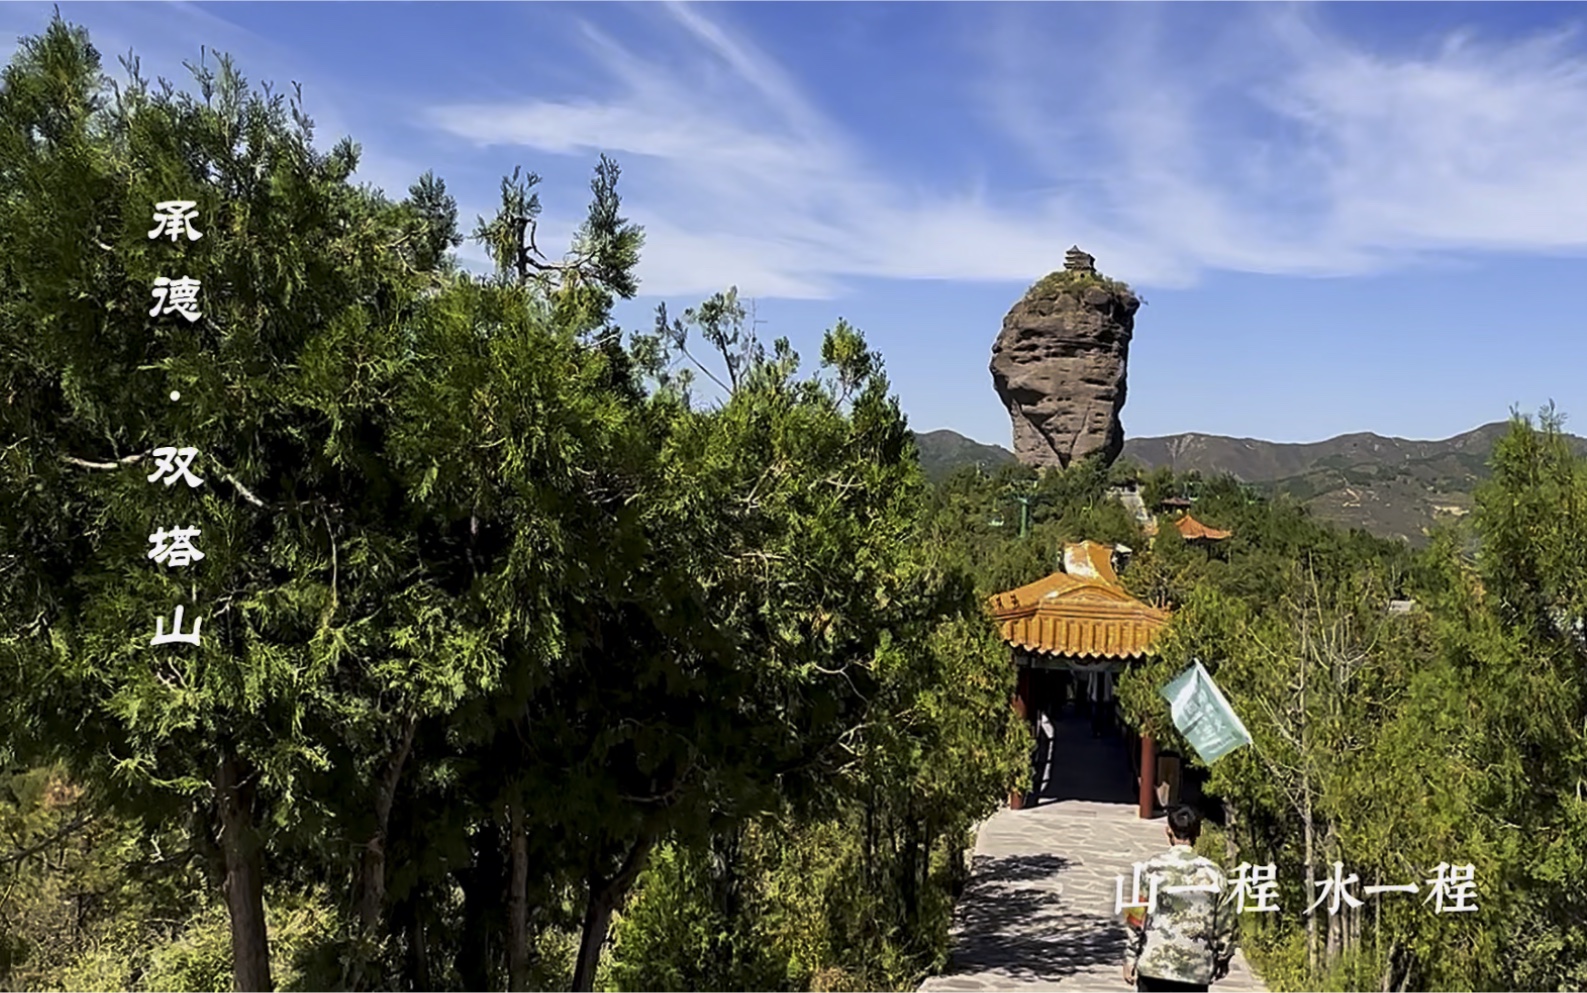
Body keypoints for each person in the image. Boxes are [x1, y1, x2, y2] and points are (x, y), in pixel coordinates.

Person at [1123, 805, 1236, 992]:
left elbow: (1136, 919)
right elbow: (1226, 925)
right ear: (1198, 832)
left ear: (1168, 830)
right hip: (1195, 969)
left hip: (1154, 966)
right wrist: (1222, 959)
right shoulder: (1215, 874)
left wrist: (1130, 957)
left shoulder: (1150, 869)